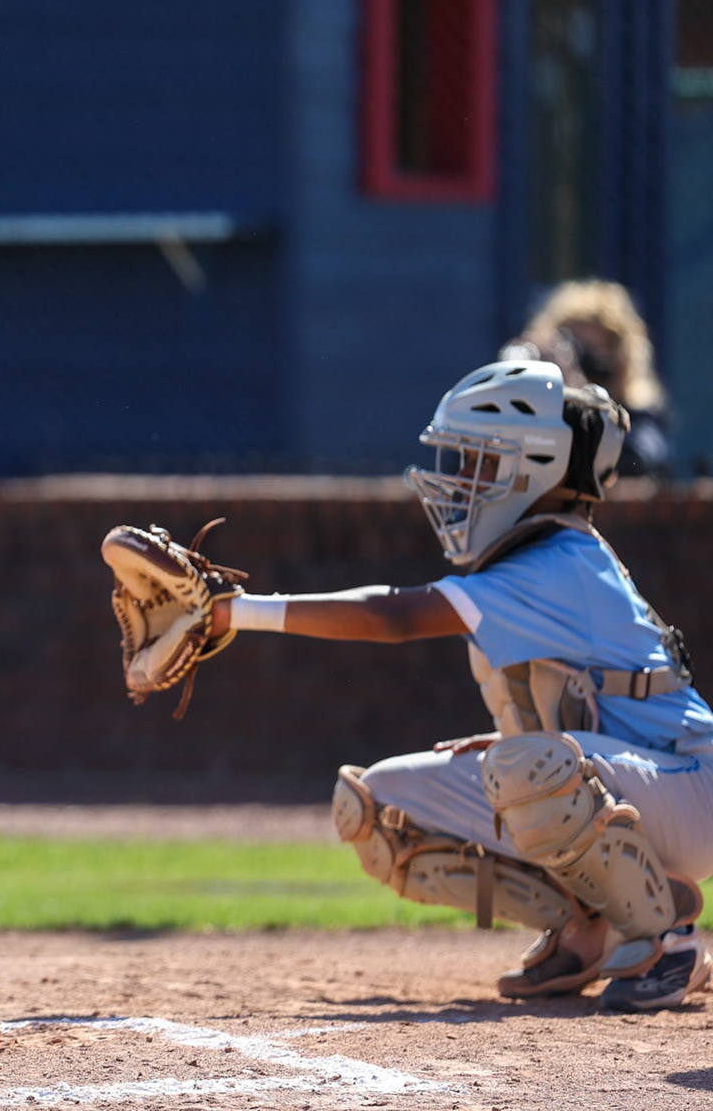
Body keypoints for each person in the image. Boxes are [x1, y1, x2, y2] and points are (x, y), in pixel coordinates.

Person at [204, 360, 712, 1011]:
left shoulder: (563, 560)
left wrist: (233, 610)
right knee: (379, 806)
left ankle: (668, 938)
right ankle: (591, 926)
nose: (460, 478)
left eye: (478, 461)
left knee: (528, 767)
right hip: (632, 778)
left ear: (534, 467)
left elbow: (390, 618)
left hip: (692, 788)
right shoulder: (522, 564)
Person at [501, 280, 671, 476]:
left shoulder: (637, 414)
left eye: (591, 357)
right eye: (571, 350)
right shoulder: (533, 411)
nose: (577, 365)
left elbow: (636, 458)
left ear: (619, 359)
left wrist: (577, 393)